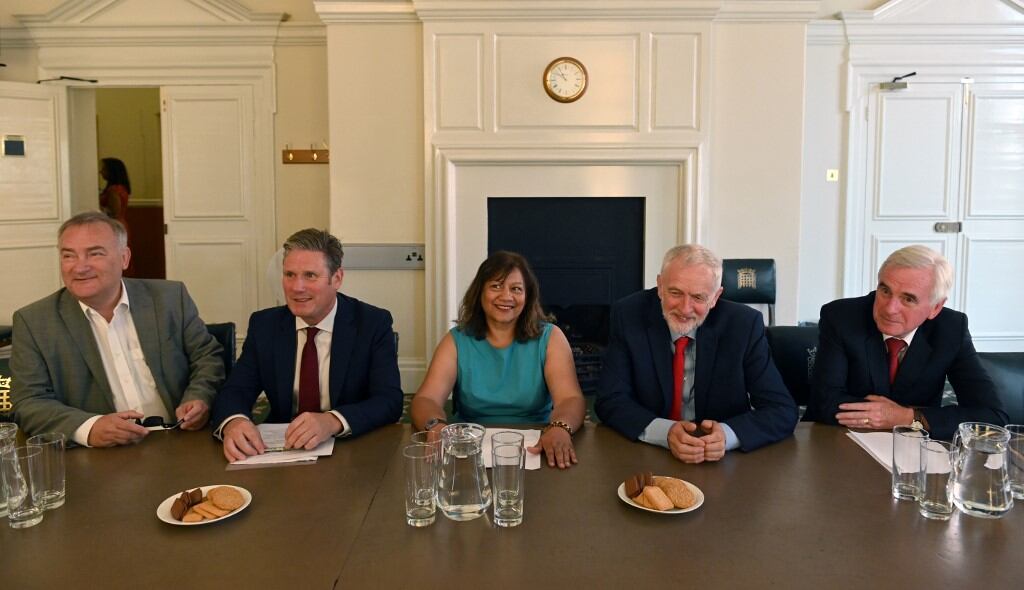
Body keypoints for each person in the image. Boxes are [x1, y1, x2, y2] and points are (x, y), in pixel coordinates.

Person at [10, 211, 224, 446]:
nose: (79, 268)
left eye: (95, 254)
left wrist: (199, 398)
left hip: (179, 439)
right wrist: (89, 428)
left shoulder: (169, 299)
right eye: (69, 256)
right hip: (100, 455)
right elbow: (29, 401)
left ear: (124, 257)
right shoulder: (34, 322)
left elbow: (207, 357)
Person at [211, 229, 402, 462]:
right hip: (282, 450)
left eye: (310, 275)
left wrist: (332, 420)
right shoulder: (265, 325)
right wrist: (234, 421)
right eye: (289, 275)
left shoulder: (371, 323)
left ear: (337, 278)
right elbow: (236, 390)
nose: (296, 287)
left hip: (351, 451)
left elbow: (389, 401)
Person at [595, 245, 797, 463]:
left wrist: (728, 436)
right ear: (660, 286)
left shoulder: (743, 325)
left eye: (699, 298)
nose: (685, 308)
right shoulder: (628, 315)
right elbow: (610, 399)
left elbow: (781, 410)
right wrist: (665, 432)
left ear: (715, 297)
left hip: (720, 461)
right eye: (675, 293)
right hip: (647, 455)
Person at [411, 251, 586, 469]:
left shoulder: (550, 337)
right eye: (496, 286)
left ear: (527, 297)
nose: (506, 296)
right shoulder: (456, 340)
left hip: (538, 442)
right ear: (480, 293)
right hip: (470, 447)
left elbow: (570, 398)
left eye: (516, 289)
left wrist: (560, 427)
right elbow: (426, 399)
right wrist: (435, 426)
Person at [810, 245, 1006, 440]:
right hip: (843, 440)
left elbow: (991, 416)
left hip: (917, 448)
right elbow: (825, 402)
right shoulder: (841, 317)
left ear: (935, 308)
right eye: (885, 290)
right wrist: (888, 417)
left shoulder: (951, 329)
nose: (890, 309)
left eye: (908, 299)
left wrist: (907, 418)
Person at [99, 157, 131, 229]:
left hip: (115, 226)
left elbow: (113, 213)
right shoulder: (121, 188)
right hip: (119, 224)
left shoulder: (114, 189)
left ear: (112, 171)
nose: (101, 172)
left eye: (104, 169)